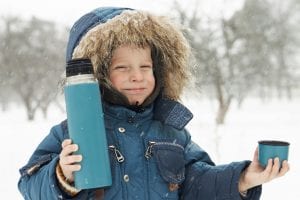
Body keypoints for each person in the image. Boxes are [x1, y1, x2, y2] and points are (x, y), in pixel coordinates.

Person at [18, 7, 289, 200]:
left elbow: (198, 184)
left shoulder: (171, 132)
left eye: (145, 66)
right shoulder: (71, 132)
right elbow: (28, 184)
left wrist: (244, 179)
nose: (137, 76)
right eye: (122, 67)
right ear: (98, 73)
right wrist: (61, 175)